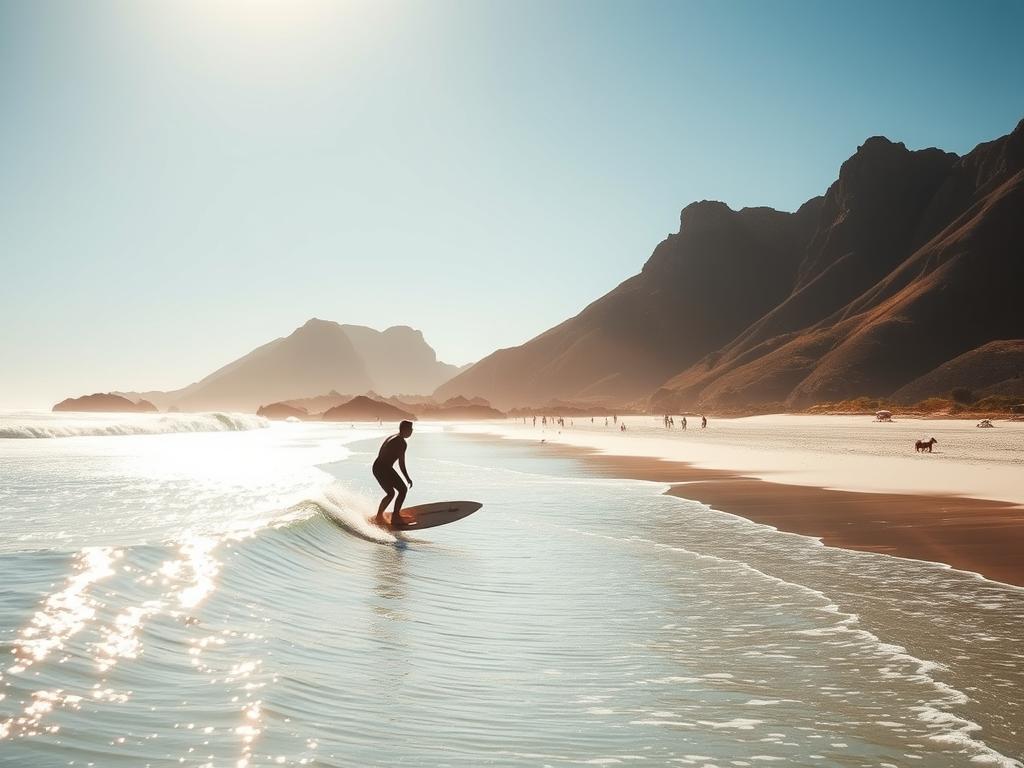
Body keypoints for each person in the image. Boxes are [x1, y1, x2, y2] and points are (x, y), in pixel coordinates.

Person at [373, 420, 414, 528]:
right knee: (402, 490)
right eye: (410, 429)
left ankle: (379, 516)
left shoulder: (393, 437)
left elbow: (381, 453)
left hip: (377, 467)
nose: (412, 431)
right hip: (383, 468)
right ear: (405, 430)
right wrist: (407, 478)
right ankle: (395, 517)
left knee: (390, 493)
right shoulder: (401, 442)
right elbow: (401, 463)